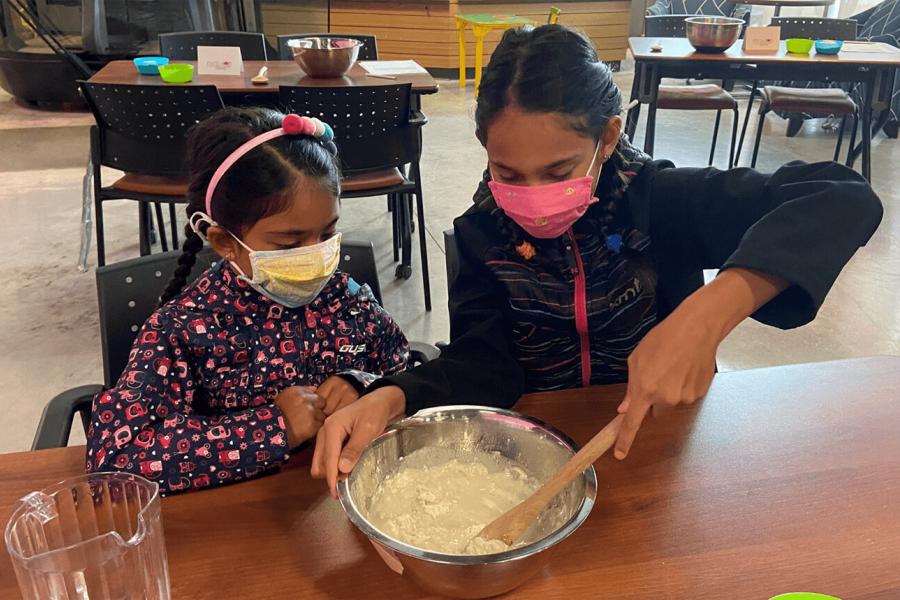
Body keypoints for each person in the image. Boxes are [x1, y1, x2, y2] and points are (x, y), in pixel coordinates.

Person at [311, 24, 883, 496]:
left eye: (558, 172)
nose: (531, 196)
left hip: (660, 444)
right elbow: (485, 365)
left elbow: (840, 196)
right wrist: (394, 392)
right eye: (508, 174)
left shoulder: (662, 203)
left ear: (608, 138)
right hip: (536, 457)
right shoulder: (483, 232)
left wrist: (711, 311)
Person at [86, 108, 409, 494]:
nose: (316, 255)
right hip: (242, 519)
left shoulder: (347, 301)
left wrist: (364, 385)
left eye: (328, 233)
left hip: (342, 504)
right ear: (224, 241)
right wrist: (274, 428)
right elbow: (115, 458)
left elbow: (410, 375)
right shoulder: (186, 328)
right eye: (290, 243)